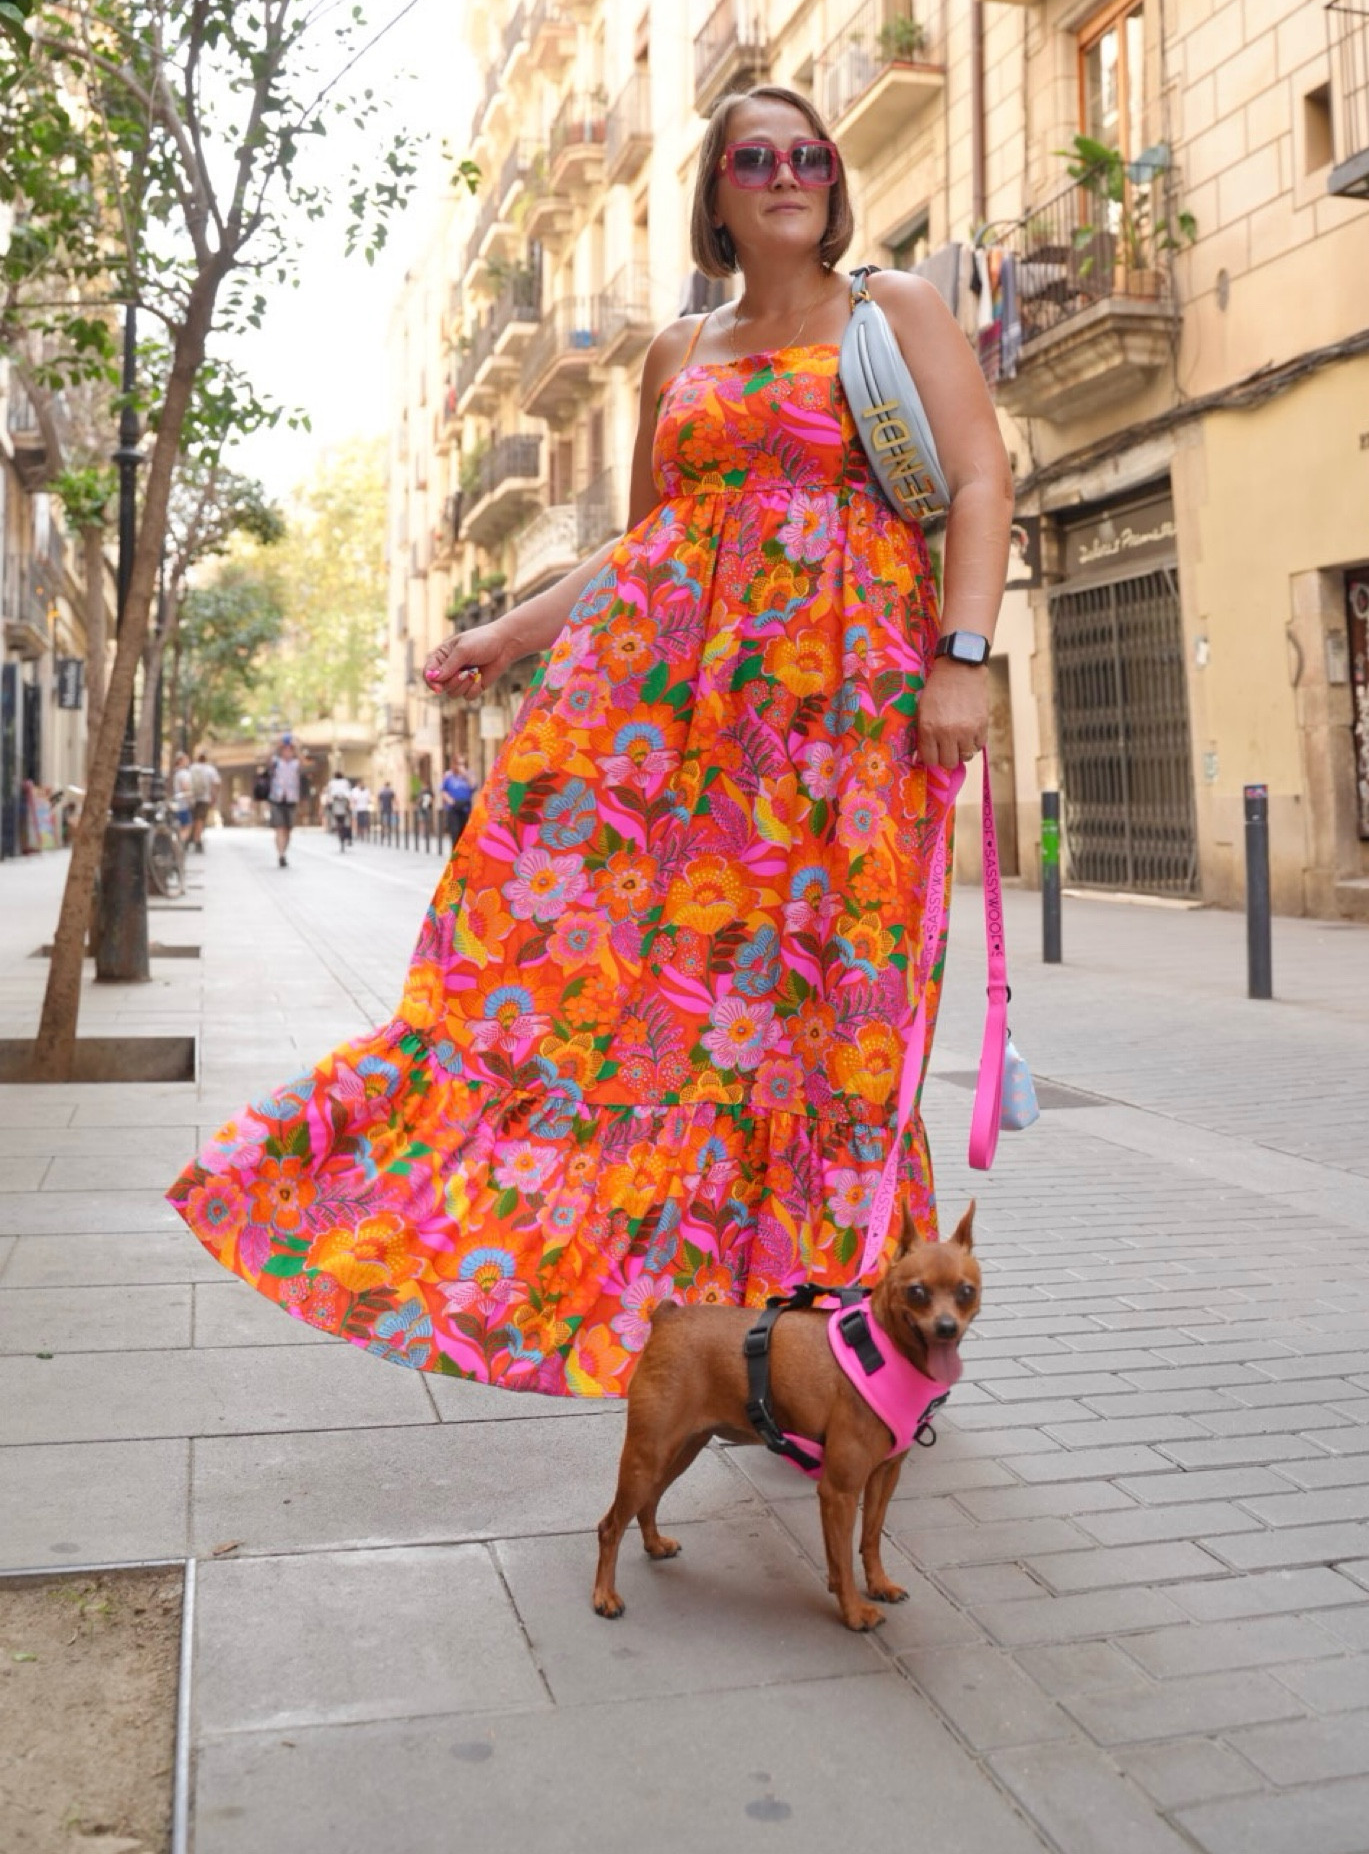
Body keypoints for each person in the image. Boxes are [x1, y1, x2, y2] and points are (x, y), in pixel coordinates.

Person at [167, 83, 1012, 1403]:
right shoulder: (677, 353)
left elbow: (977, 477)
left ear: (834, 181)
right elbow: (649, 547)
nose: (788, 173)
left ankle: (861, 1346)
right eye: (756, 158)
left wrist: (961, 658)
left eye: (809, 154)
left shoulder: (889, 310)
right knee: (672, 1015)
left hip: (848, 728)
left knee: (836, 1011)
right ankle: (738, 1341)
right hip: (696, 743)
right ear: (715, 191)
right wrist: (508, 634)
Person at [268, 736, 302, 868]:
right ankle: (281, 854)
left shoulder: (295, 763)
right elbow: (268, 759)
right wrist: (277, 745)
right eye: (285, 750)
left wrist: (297, 747)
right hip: (277, 799)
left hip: (291, 799)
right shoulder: (276, 762)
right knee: (280, 828)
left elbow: (304, 762)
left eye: (290, 750)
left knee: (288, 829)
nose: (287, 752)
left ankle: (284, 851)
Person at [187, 749, 220, 853]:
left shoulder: (192, 768)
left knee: (193, 819)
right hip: (204, 798)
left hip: (191, 797)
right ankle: (197, 840)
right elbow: (216, 783)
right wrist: (213, 797)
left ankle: (191, 838)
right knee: (200, 820)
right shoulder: (210, 769)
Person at [440, 757, 474, 846]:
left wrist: (466, 775)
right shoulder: (449, 775)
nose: (460, 766)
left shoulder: (469, 775)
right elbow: (443, 790)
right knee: (455, 832)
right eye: (459, 764)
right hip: (453, 807)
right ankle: (455, 851)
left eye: (462, 764)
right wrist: (450, 800)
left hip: (466, 807)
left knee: (465, 834)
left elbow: (473, 786)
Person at [323, 766, 353, 852]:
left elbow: (329, 794)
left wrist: (328, 803)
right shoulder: (345, 782)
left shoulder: (331, 783)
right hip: (344, 802)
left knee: (339, 822)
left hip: (336, 803)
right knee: (346, 821)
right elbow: (349, 793)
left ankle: (342, 837)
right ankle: (346, 836)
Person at [170, 752, 193, 841]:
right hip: (183, 803)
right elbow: (185, 787)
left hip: (179, 803)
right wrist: (190, 800)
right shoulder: (183, 773)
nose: (188, 761)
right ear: (180, 761)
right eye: (186, 759)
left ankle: (180, 842)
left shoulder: (177, 772)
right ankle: (181, 843)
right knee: (186, 826)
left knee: (182, 826)